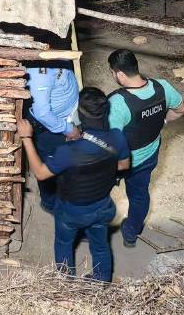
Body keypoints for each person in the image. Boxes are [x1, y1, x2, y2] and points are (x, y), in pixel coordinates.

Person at [18, 87, 130, 282]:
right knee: (101, 245)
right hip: (102, 206)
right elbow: (123, 165)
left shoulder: (67, 151)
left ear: (78, 113)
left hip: (72, 210)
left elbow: (41, 173)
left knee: (63, 242)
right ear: (105, 111)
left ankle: (65, 281)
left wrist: (27, 138)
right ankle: (101, 280)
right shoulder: (117, 137)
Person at [107, 49, 184, 247]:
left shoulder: (118, 103)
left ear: (120, 74)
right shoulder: (163, 87)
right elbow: (182, 109)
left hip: (121, 162)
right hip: (149, 155)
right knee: (140, 195)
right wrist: (163, 121)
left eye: (112, 72)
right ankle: (131, 233)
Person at [24, 65, 80, 212]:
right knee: (49, 164)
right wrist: (69, 129)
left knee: (65, 158)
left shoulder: (58, 54)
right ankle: (49, 203)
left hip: (67, 120)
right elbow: (43, 114)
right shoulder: (40, 74)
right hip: (50, 129)